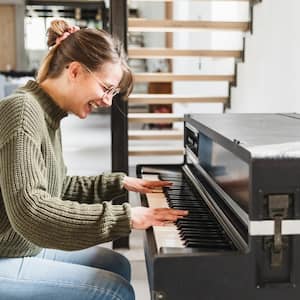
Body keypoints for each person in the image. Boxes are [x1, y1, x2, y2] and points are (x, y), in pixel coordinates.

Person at [0, 20, 188, 300]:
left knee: (117, 263)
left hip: (19, 246)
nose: (108, 101)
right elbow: (31, 211)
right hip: (6, 252)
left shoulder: (46, 113)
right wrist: (126, 218)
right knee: (114, 291)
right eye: (106, 88)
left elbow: (56, 187)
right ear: (74, 71)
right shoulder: (23, 111)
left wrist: (120, 183)